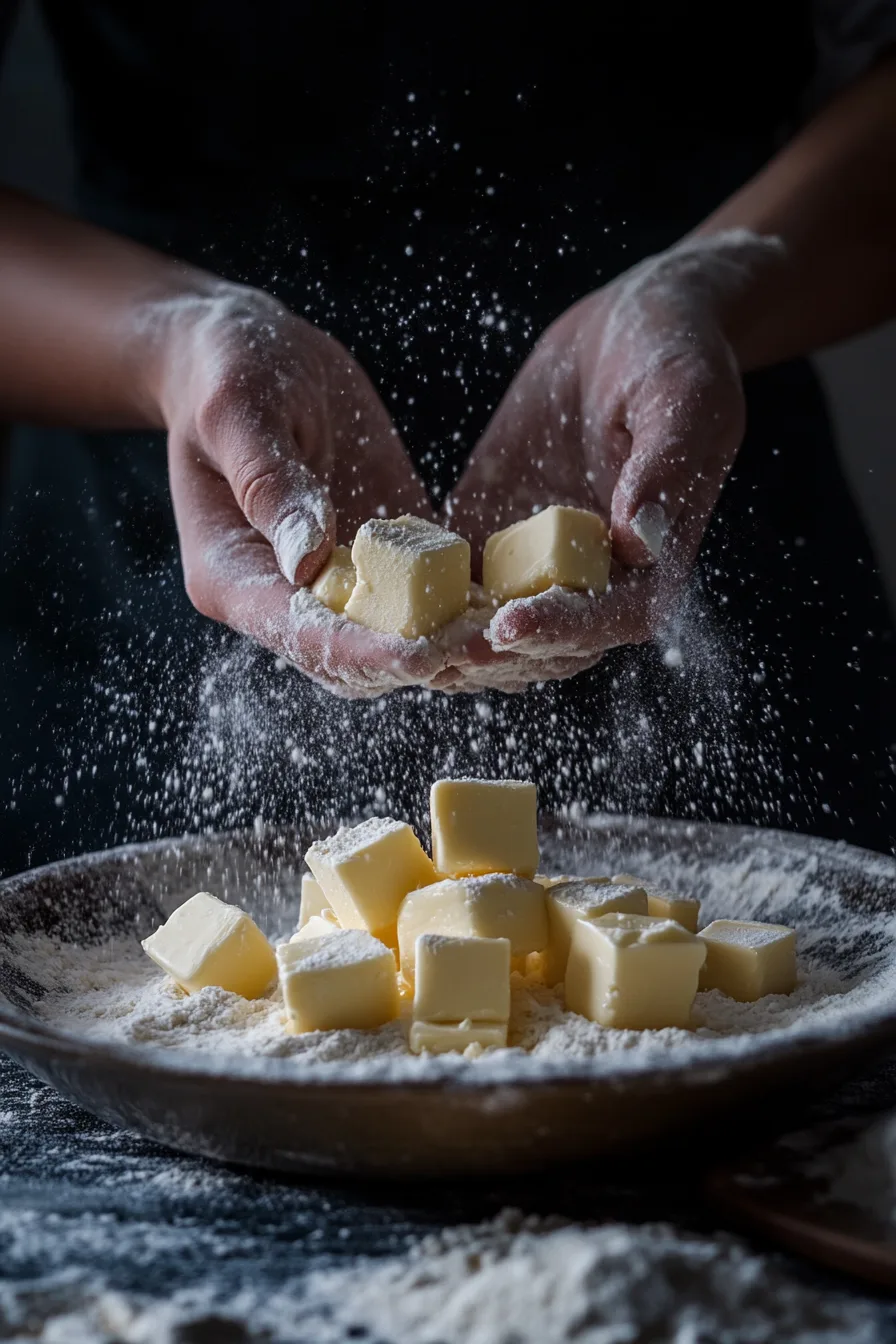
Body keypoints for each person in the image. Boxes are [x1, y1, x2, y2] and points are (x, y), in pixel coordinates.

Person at [1, 3, 896, 878]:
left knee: (773, 972)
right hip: (176, 519)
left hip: (687, 464)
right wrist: (171, 342)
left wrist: (711, 291)